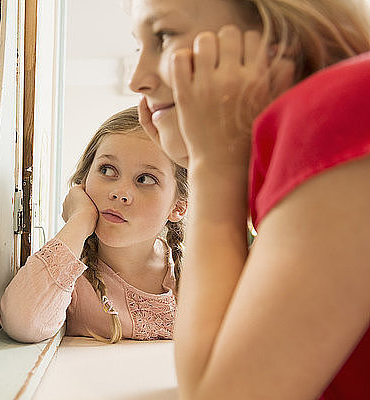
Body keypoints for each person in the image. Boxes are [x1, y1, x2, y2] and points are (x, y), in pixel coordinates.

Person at [129, 0, 370, 398]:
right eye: (138, 46)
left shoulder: (340, 106)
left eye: (165, 36)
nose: (137, 80)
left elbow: (220, 394)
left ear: (278, 35)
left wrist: (214, 167)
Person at [0, 106, 188, 343]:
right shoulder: (68, 278)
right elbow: (21, 323)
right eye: (107, 170)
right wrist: (80, 220)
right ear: (84, 180)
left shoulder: (194, 274)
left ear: (178, 206)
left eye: (145, 179)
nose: (120, 193)